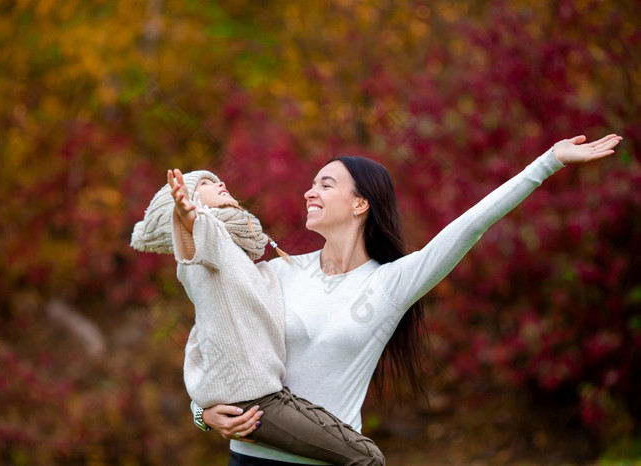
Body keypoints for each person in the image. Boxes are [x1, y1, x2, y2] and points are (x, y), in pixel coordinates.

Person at [193, 134, 623, 465]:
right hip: (250, 458)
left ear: (361, 203)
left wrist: (547, 163)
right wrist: (202, 410)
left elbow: (471, 224)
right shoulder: (279, 271)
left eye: (325, 184)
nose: (310, 192)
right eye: (311, 184)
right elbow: (213, 338)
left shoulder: (393, 283)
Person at [131, 168, 385, 465]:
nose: (220, 183)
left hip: (271, 396)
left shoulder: (244, 263)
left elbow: (207, 336)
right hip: (257, 403)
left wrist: (202, 411)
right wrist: (189, 218)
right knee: (367, 458)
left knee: (359, 451)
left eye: (217, 180)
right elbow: (199, 242)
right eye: (205, 184)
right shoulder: (210, 249)